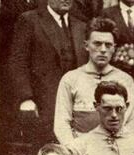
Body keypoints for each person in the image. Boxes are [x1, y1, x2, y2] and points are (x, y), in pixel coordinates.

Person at [9, 0, 87, 144]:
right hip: (43, 104)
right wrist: (26, 98)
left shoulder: (80, 25)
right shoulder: (30, 20)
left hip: (75, 105)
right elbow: (18, 62)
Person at [54, 17, 134, 146]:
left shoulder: (125, 80)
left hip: (115, 147)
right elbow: (61, 123)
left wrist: (116, 147)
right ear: (86, 46)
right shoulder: (70, 79)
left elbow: (131, 122)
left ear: (114, 48)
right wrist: (74, 149)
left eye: (108, 45)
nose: (103, 49)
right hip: (80, 146)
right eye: (97, 44)